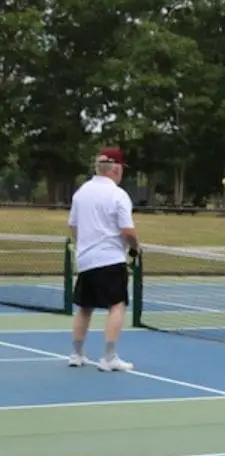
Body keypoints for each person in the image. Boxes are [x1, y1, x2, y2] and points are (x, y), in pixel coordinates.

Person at [67, 147, 139, 372]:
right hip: (110, 259)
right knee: (117, 305)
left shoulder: (81, 192)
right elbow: (127, 231)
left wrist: (86, 245)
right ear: (115, 168)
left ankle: (76, 354)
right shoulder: (118, 195)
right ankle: (109, 357)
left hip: (86, 260)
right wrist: (136, 248)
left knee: (84, 308)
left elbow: (73, 227)